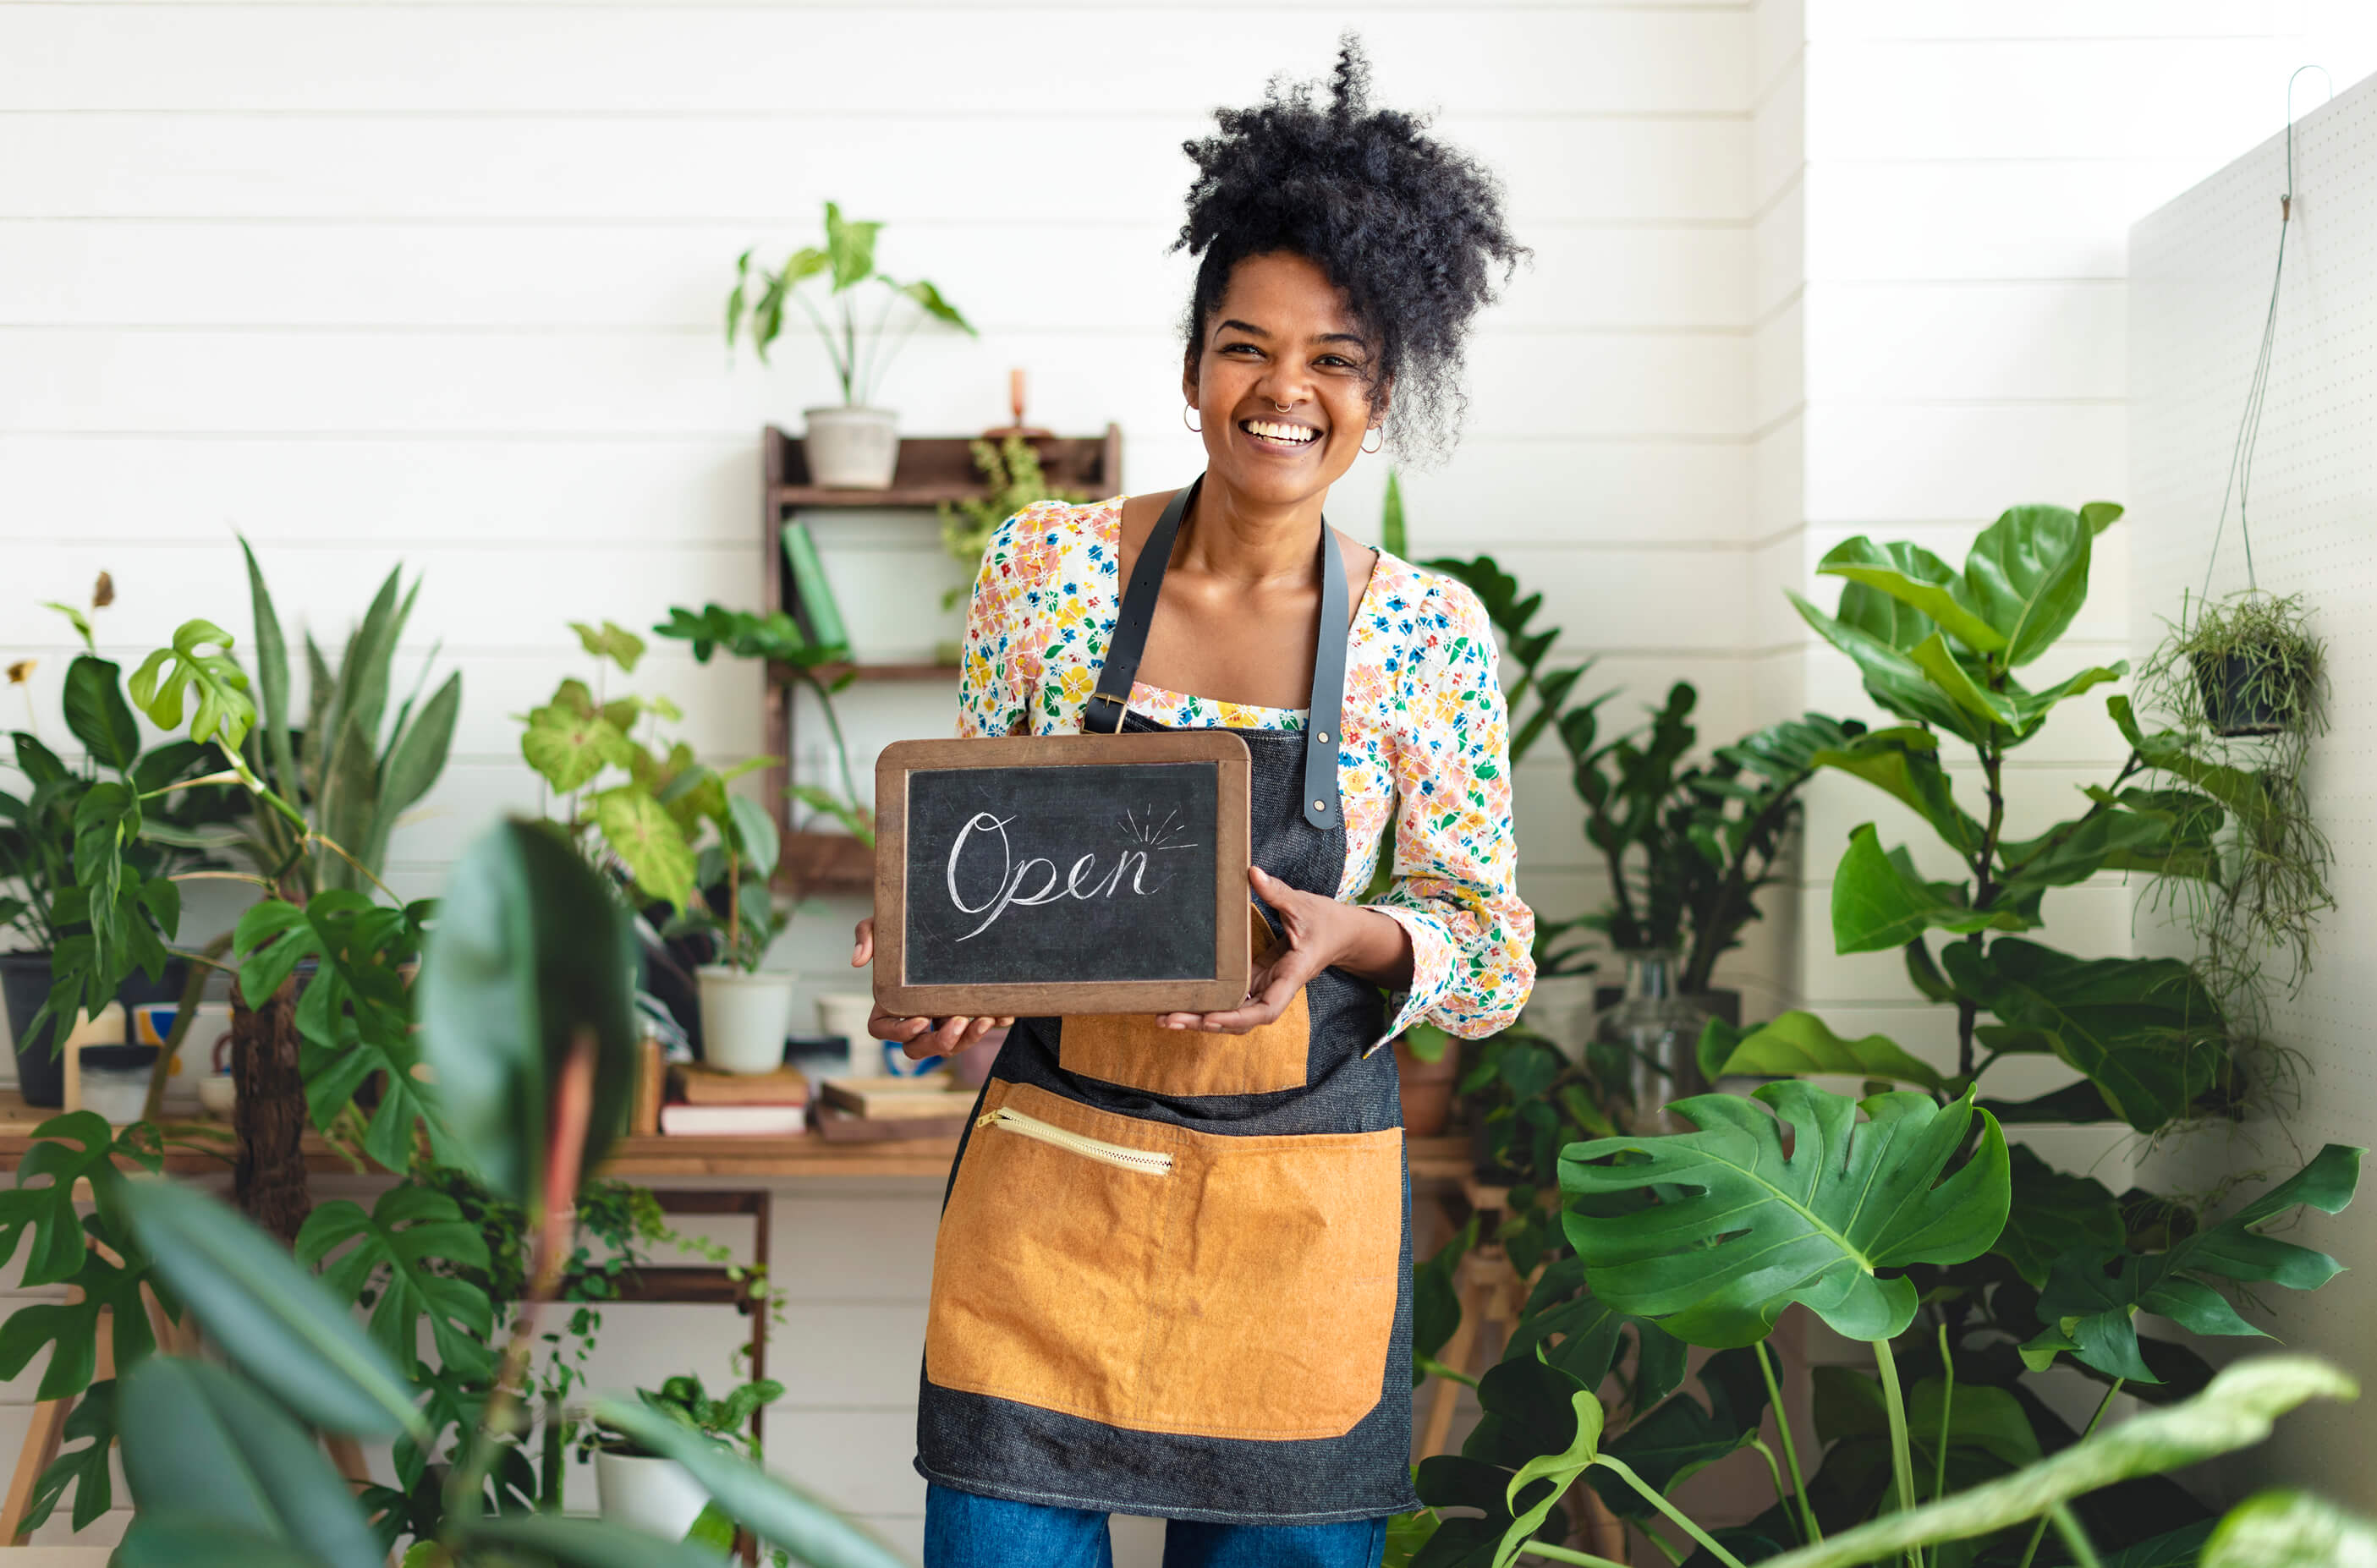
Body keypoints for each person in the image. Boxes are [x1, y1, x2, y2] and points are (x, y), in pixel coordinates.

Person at [848, 39, 1534, 1568]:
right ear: (1190, 367)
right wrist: (931, 985)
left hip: (1301, 1227)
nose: (1283, 390)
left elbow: (1491, 954)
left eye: (1335, 359)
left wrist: (1357, 934)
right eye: (1245, 345)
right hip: (1052, 1210)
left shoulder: (1426, 635)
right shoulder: (1051, 573)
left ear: (1381, 393)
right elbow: (971, 864)